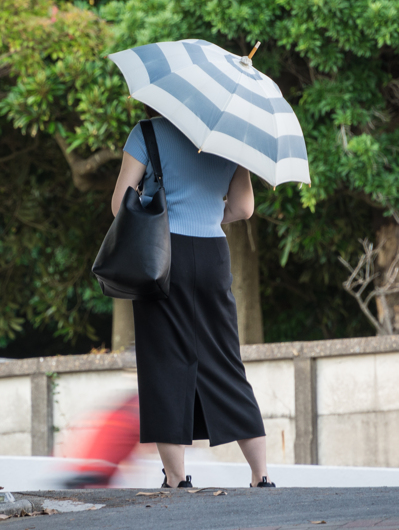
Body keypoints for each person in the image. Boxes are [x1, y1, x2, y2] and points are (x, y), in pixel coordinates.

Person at [110, 109, 275, 489]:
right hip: (214, 255)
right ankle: (260, 474)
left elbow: (120, 206)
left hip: (162, 255)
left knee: (165, 363)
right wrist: (209, 212)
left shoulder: (146, 133)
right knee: (224, 360)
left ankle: (176, 477)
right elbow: (244, 208)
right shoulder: (230, 140)